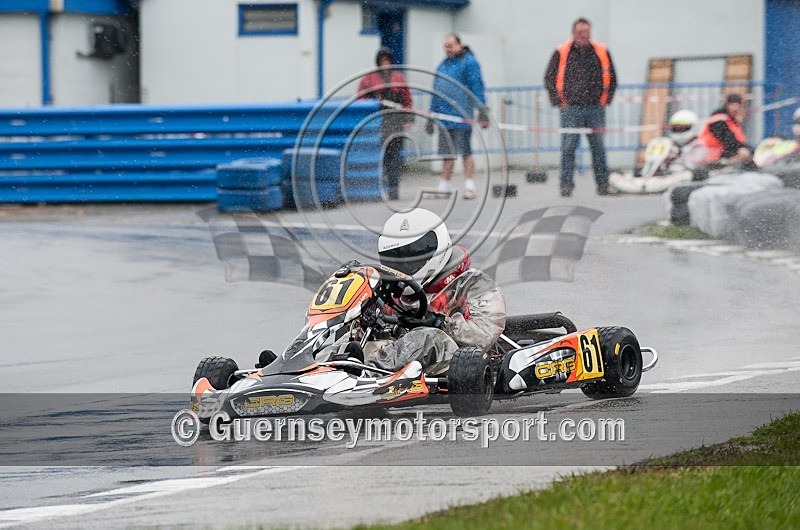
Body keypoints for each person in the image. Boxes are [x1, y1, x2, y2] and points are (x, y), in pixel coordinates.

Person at [370, 207, 506, 375]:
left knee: (427, 337)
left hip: (460, 362)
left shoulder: (473, 284)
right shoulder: (393, 292)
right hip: (398, 358)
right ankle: (334, 367)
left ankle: (371, 373)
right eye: (394, 258)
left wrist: (439, 323)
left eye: (410, 256)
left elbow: (483, 336)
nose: (402, 264)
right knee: (349, 340)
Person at [544, 17, 617, 197]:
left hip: (595, 108)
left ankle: (602, 184)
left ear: (590, 32)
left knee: (598, 148)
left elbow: (612, 77)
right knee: (568, 148)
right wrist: (558, 101)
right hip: (571, 109)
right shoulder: (562, 52)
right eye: (579, 32)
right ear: (573, 33)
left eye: (585, 31)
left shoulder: (600, 51)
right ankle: (566, 185)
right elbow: (549, 77)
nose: (582, 35)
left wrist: (605, 100)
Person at [426, 34, 489, 200]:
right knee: (447, 152)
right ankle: (444, 185)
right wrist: (431, 114)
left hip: (462, 115)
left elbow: (477, 85)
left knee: (465, 151)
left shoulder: (469, 62)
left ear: (459, 44)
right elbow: (436, 90)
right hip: (444, 116)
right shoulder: (442, 66)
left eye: (451, 45)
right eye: (445, 46)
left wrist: (482, 109)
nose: (448, 49)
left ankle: (469, 185)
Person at [357, 47, 414, 200]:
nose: (385, 64)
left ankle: (394, 190)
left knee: (394, 158)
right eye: (382, 61)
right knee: (379, 157)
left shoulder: (399, 78)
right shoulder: (369, 80)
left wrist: (409, 119)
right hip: (377, 125)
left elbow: (407, 101)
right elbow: (360, 101)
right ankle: (376, 189)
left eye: (387, 61)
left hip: (395, 124)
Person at [696, 93, 753, 167]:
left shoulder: (731, 120)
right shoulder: (718, 119)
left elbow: (736, 140)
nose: (735, 108)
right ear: (727, 105)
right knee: (744, 155)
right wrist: (742, 148)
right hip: (712, 157)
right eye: (732, 105)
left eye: (737, 105)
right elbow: (728, 140)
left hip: (721, 154)